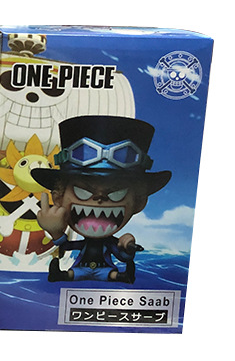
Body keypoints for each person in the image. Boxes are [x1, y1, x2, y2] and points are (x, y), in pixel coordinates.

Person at [32, 115, 171, 284]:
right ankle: (62, 275)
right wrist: (55, 231)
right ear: (58, 198)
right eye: (82, 191)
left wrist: (127, 248)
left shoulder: (111, 242)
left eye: (116, 193)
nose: (99, 199)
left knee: (109, 274)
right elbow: (66, 246)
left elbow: (122, 255)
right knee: (75, 273)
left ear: (139, 202)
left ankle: (121, 276)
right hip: (81, 269)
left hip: (105, 271)